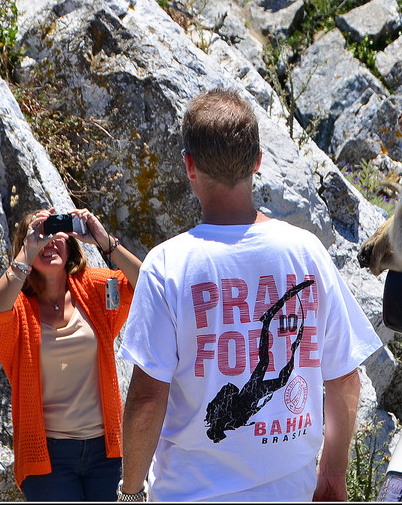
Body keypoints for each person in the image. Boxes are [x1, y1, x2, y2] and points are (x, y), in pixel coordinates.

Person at [117, 88, 383, 502]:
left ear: (189, 165)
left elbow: (149, 399)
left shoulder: (168, 266)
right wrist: (331, 474)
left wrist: (130, 493)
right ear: (258, 160)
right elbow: (344, 377)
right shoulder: (306, 251)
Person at [0, 207, 142, 501]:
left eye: (57, 233)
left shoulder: (93, 287)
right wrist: (27, 253)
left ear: (70, 247)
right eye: (41, 233)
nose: (49, 241)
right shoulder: (18, 306)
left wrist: (105, 241)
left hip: (106, 451)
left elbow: (146, 285)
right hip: (48, 455)